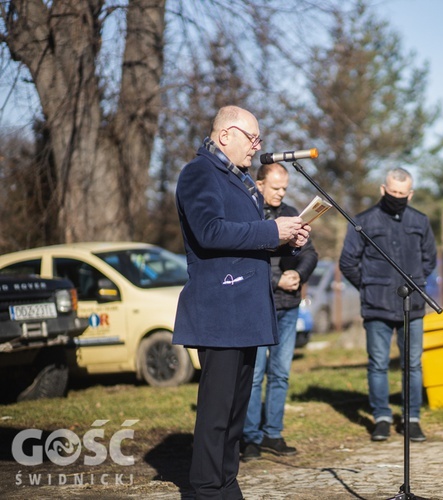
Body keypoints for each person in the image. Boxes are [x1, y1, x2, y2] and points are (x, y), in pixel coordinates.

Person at [173, 105, 310, 499]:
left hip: (245, 310)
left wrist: (285, 238)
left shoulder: (242, 180)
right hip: (220, 309)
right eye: (251, 138)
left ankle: (226, 483)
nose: (257, 146)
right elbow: (211, 232)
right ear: (224, 136)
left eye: (259, 139)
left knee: (235, 414)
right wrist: (271, 230)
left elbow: (244, 241)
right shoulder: (198, 173)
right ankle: (205, 489)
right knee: (216, 414)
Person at [339, 167, 437, 442]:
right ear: (383, 189)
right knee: (378, 363)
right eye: (392, 192)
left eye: (402, 194)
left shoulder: (420, 221)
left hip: (413, 306)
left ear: (411, 194)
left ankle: (412, 418)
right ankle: (381, 417)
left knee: (413, 365)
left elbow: (430, 259)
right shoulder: (363, 221)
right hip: (377, 306)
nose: (396, 197)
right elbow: (348, 262)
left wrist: (415, 282)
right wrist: (370, 286)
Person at [241, 163, 318, 460]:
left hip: (288, 306)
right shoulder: (249, 213)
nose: (281, 193)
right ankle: (249, 437)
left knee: (281, 373)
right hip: (259, 306)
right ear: (259, 185)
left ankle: (273, 433)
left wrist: (300, 275)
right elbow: (247, 259)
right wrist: (277, 279)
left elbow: (310, 252)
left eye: (284, 188)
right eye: (275, 188)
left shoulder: (292, 213)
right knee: (255, 373)